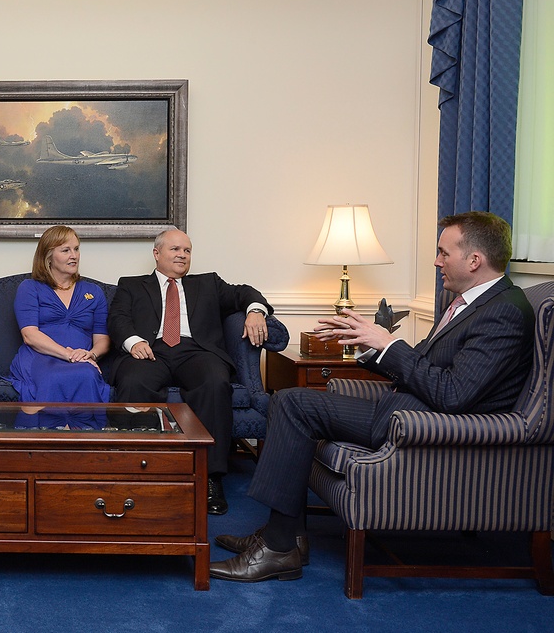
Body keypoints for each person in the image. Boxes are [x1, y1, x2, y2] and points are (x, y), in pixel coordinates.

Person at [209, 211, 535, 582]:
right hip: (403, 409)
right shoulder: (471, 302)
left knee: (294, 404)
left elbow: (454, 394)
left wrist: (391, 344)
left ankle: (279, 547)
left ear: (474, 260)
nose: (436, 261)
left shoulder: (503, 312)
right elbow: (428, 367)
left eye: (444, 253)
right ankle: (284, 537)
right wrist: (367, 345)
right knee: (289, 399)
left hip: (419, 426)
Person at [106, 227, 273, 515]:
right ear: (157, 253)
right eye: (175, 249)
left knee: (214, 382)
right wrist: (133, 342)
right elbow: (118, 318)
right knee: (133, 382)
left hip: (196, 352)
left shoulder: (207, 284)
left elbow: (246, 293)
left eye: (187, 250)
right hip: (150, 351)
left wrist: (255, 311)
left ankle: (210, 478)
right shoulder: (132, 285)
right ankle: (138, 472)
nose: (182, 255)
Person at [7, 226, 112, 427]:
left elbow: (102, 338)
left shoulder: (94, 292)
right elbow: (30, 335)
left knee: (87, 373)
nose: (74, 256)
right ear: (48, 256)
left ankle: (88, 445)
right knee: (53, 377)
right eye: (66, 250)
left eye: (76, 249)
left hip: (82, 358)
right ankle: (44, 444)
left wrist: (91, 355)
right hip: (41, 357)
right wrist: (68, 354)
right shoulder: (29, 288)